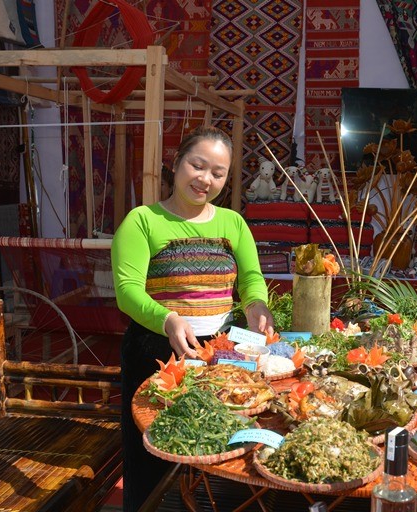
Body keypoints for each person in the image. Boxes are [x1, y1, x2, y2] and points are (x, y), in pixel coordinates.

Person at [111, 126, 275, 512]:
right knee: (154, 449)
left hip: (221, 352)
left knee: (220, 445)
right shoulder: (143, 221)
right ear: (176, 163)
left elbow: (251, 279)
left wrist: (255, 306)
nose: (206, 179)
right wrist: (168, 319)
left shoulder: (233, 223)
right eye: (197, 166)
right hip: (157, 350)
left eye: (218, 173)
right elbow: (127, 289)